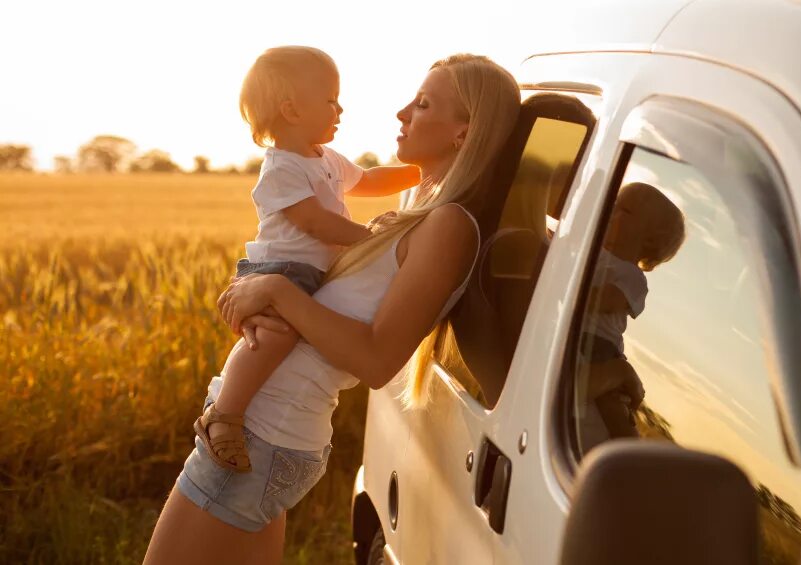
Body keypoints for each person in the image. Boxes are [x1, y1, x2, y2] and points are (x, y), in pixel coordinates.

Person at [143, 53, 521, 564]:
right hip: (266, 439)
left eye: (425, 103)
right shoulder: (422, 214)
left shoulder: (448, 226)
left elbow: (376, 360)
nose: (402, 112)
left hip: (259, 439)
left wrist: (277, 291)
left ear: (463, 132)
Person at [196, 46, 420, 474]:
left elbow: (370, 180)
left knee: (299, 334)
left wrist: (421, 171)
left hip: (312, 275)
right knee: (272, 337)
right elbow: (315, 223)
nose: (341, 108)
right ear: (291, 109)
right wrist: (374, 240)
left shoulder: (327, 159)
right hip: (279, 271)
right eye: (331, 100)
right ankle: (224, 413)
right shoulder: (281, 168)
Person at [581, 182, 686, 438]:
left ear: (648, 240)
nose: (611, 210)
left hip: (601, 348)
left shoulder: (632, 278)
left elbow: (602, 301)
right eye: (613, 204)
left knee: (612, 409)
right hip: (578, 336)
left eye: (623, 210)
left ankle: (626, 445)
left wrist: (571, 284)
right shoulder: (590, 252)